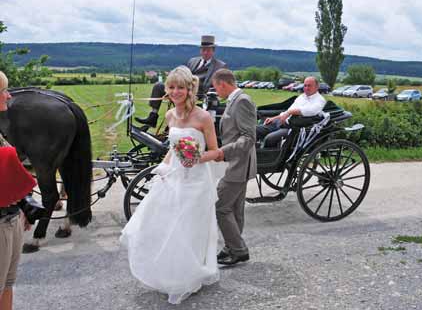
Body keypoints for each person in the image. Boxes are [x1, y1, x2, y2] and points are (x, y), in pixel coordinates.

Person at [120, 66, 226, 305]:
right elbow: (173, 147)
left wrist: (196, 159)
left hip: (197, 180)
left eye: (180, 87)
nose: (176, 91)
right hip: (175, 177)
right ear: (166, 89)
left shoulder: (203, 117)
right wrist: (164, 168)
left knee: (189, 228)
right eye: (171, 87)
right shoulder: (169, 116)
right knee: (164, 224)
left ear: (190, 89)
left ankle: (189, 275)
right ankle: (170, 273)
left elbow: (216, 152)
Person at [212, 69, 257, 266]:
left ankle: (238, 250)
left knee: (220, 206)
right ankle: (232, 247)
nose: (216, 92)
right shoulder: (234, 100)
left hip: (238, 163)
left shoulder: (242, 101)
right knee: (235, 209)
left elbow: (248, 137)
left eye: (216, 87)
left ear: (222, 83)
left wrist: (224, 152)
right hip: (237, 163)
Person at [135, 35, 227, 128]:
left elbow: (219, 86)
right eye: (203, 50)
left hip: (200, 95)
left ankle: (175, 125)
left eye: (208, 50)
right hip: (183, 88)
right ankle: (153, 117)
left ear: (213, 50)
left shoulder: (220, 66)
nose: (205, 52)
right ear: (200, 50)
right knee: (158, 86)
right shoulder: (193, 61)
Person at [0, 71, 35, 310]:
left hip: (11, 217)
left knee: (8, 284)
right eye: (2, 91)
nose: (8, 95)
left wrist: (22, 204)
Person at [256, 76, 327, 147]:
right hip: (281, 122)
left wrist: (290, 112)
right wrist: (274, 118)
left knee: (269, 138)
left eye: (309, 86)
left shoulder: (320, 100)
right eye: (305, 85)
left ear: (317, 87)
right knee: (255, 130)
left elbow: (311, 111)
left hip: (293, 129)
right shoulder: (302, 97)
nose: (306, 88)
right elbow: (287, 111)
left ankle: (267, 157)